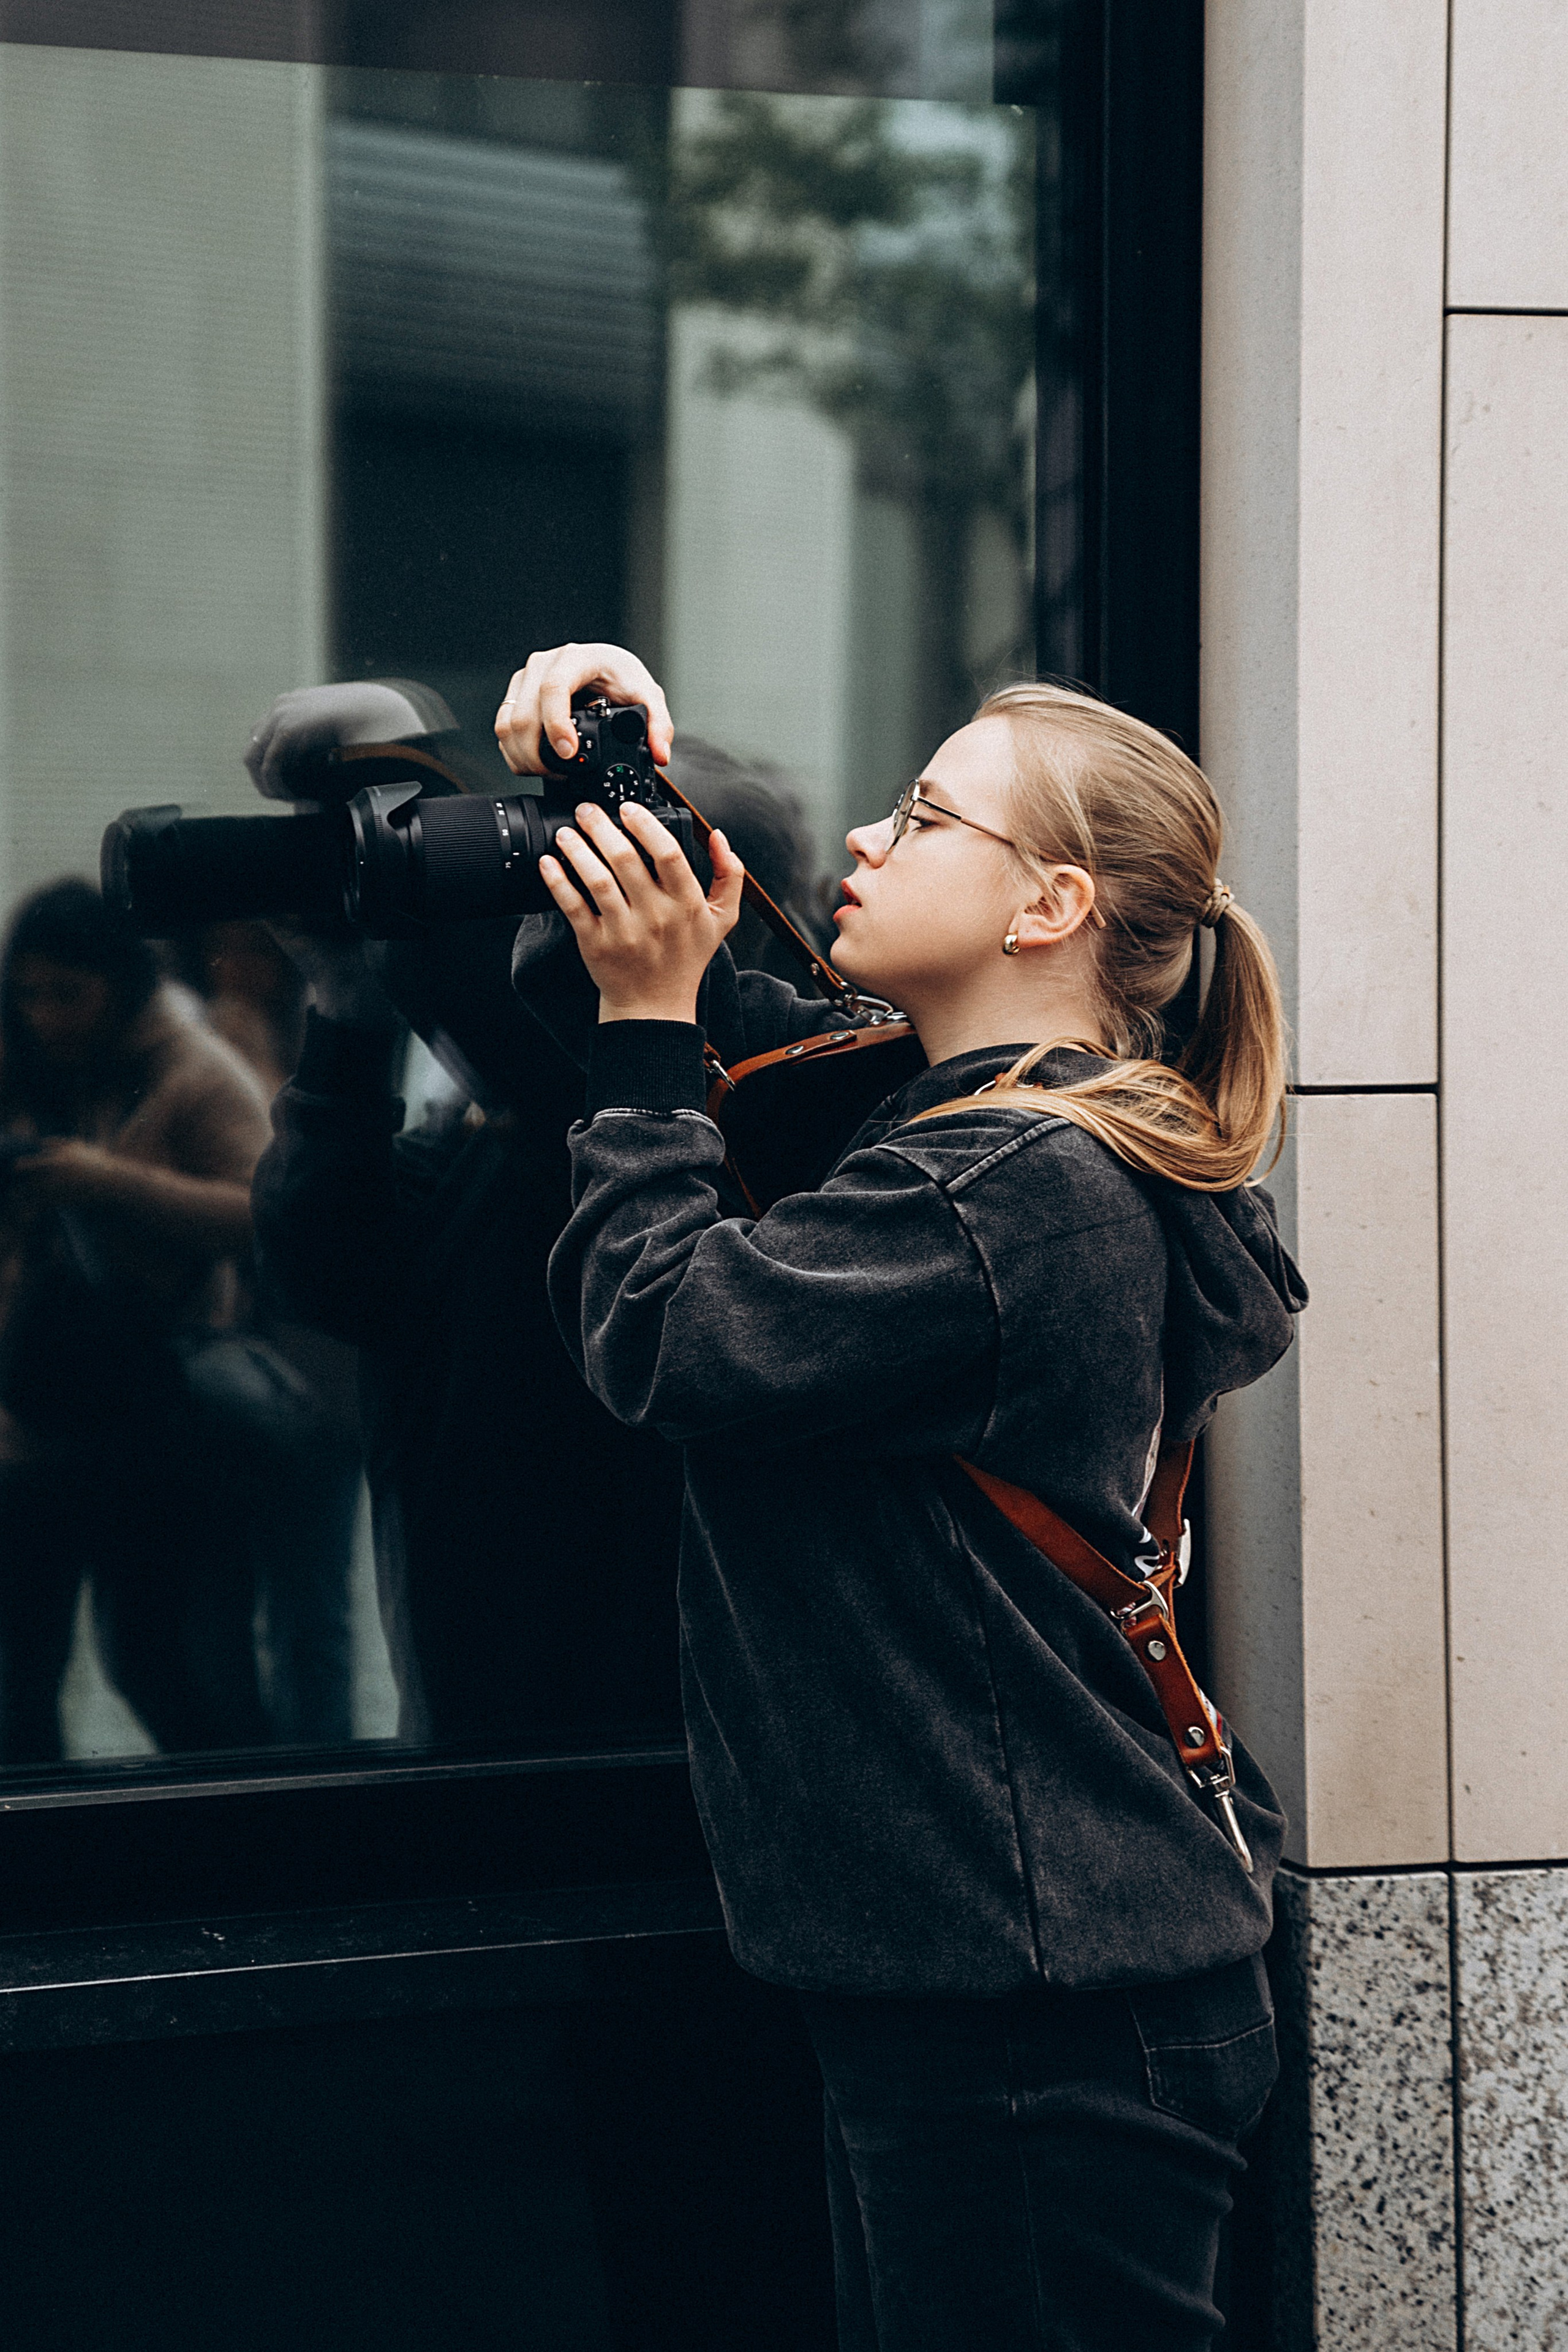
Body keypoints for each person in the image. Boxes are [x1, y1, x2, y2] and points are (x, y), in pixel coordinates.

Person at [494, 641, 1308, 2352]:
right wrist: (617, 776)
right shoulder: (1013, 1129)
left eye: (928, 816)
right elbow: (727, 1030)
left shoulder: (1017, 1181)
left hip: (1033, 2003)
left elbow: (666, 1338)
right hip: (1027, 1973)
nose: (868, 837)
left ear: (1050, 908)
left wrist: (647, 1021)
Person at [0, 880, 353, 1760]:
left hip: (184, 1397)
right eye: (28, 995)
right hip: (89, 1403)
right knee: (124, 1654)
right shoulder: (75, 1066)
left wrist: (101, 1182)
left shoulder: (193, 1064)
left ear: (115, 984)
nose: (43, 1015)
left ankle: (284, 1821)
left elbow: (266, 1209)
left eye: (64, 993)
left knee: (213, 1643)